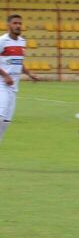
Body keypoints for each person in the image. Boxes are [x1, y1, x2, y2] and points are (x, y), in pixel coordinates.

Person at [0, 14, 40, 145]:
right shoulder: (2, 41)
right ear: (8, 25)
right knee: (1, 116)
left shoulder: (22, 42)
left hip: (14, 86)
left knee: (7, 121)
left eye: (19, 23)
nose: (18, 26)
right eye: (15, 23)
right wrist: (5, 76)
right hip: (2, 84)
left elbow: (19, 62)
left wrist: (29, 74)